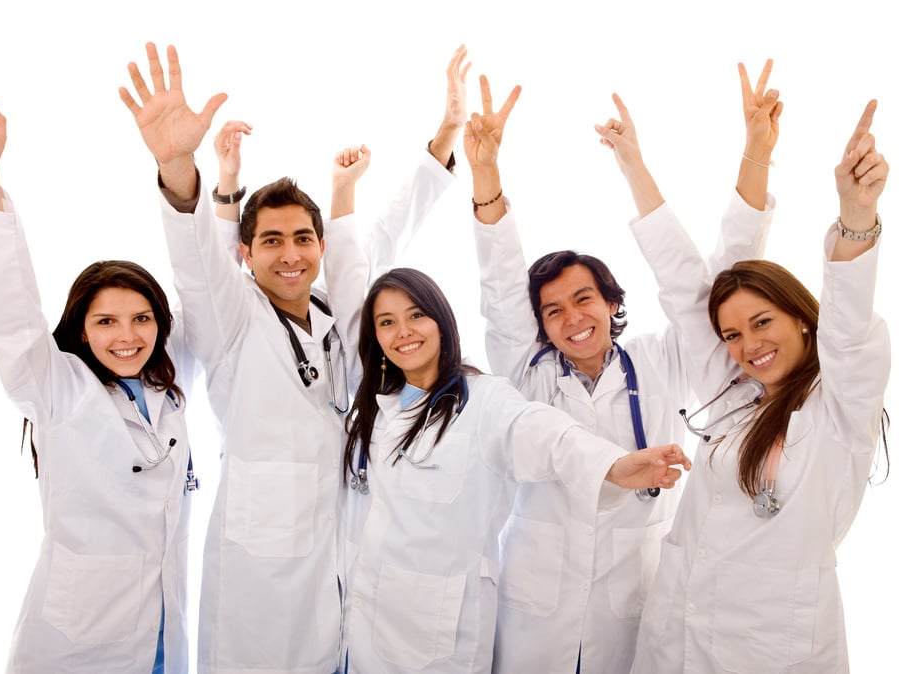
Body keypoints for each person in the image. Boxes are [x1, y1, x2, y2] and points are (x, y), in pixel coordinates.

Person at [119, 42, 467, 673]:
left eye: (303, 238)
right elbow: (195, 262)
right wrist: (178, 167)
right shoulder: (231, 317)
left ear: (321, 245)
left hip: (342, 562)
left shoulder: (342, 311)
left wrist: (443, 137)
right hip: (261, 580)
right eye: (271, 241)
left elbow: (386, 229)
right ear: (245, 254)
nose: (290, 255)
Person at [468, 63, 779, 672]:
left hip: (630, 606)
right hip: (535, 609)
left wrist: (755, 155)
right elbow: (499, 282)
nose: (571, 318)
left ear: (612, 303)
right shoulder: (525, 369)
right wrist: (485, 173)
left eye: (584, 299)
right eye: (552, 310)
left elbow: (709, 286)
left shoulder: (661, 358)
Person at [623, 99, 889, 672]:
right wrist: (633, 166)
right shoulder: (736, 396)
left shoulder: (842, 402)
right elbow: (683, 284)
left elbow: (848, 325)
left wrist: (857, 216)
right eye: (732, 335)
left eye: (762, 322)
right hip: (678, 631)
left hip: (773, 644)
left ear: (800, 317)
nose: (748, 347)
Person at [338, 265, 690, 673]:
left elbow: (545, 433)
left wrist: (612, 465)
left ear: (442, 321)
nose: (404, 331)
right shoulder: (373, 410)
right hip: (356, 627)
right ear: (375, 336)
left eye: (416, 314)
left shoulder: (483, 400)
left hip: (432, 640)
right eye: (387, 322)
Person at [0, 99, 195, 674]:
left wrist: (185, 173)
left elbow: (204, 286)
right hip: (76, 641)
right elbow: (11, 319)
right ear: (82, 333)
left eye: (141, 318)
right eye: (105, 321)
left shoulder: (171, 380)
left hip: (163, 629)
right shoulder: (57, 388)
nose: (127, 337)